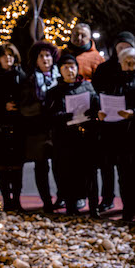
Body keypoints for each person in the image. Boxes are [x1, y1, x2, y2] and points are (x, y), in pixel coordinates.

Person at [96, 46, 135, 223]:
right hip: (119, 134)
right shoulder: (114, 79)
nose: (129, 64)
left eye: (132, 62)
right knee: (124, 175)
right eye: (126, 62)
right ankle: (128, 209)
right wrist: (102, 112)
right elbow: (106, 99)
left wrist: (134, 113)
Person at [45, 54, 101, 217]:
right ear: (60, 70)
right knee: (68, 174)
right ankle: (71, 207)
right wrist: (66, 116)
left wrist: (92, 112)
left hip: (86, 138)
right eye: (66, 67)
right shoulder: (54, 92)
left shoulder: (87, 87)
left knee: (90, 174)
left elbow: (97, 106)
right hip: (65, 140)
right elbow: (48, 116)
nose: (70, 70)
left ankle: (94, 208)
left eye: (73, 66)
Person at [91, 31, 135, 212]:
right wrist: (98, 109)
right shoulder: (104, 68)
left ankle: (129, 203)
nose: (123, 51)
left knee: (126, 169)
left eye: (127, 47)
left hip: (128, 126)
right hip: (107, 125)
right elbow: (95, 93)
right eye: (120, 47)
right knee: (106, 166)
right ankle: (107, 197)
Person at [0, 43, 27, 212]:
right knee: (1, 167)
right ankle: (7, 201)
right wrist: (3, 106)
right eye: (4, 55)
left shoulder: (21, 75)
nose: (8, 58)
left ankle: (17, 200)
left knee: (17, 167)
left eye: (11, 55)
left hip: (18, 126)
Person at [20, 40, 61, 213]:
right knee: (41, 166)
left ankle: (62, 197)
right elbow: (24, 106)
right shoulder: (29, 79)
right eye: (41, 56)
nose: (45, 59)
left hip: (57, 128)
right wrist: (42, 108)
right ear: (35, 60)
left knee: (60, 165)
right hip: (37, 128)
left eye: (48, 55)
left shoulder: (60, 77)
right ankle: (47, 201)